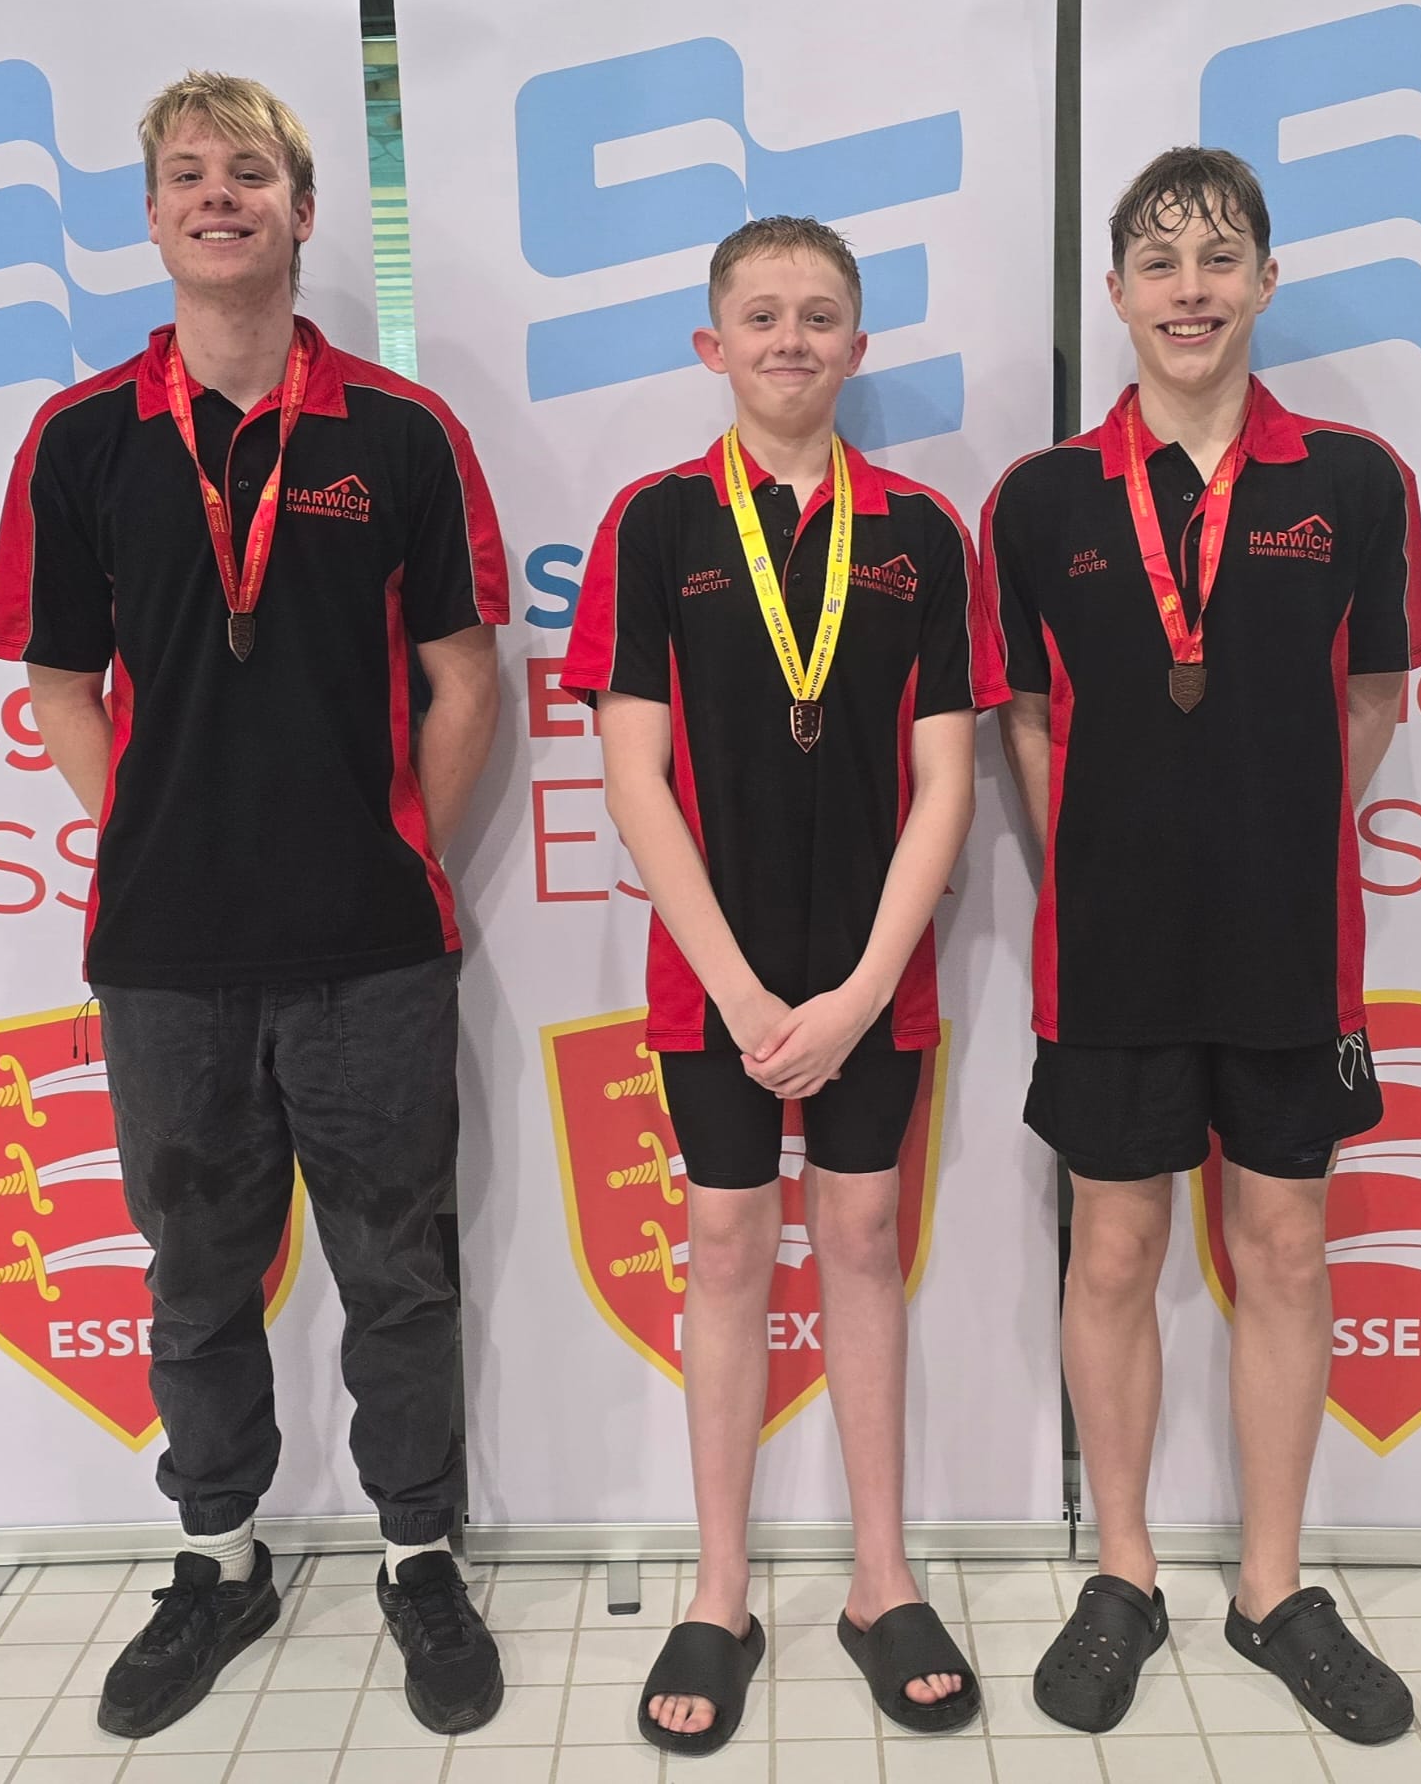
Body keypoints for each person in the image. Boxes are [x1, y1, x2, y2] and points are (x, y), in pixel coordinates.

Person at [0, 71, 507, 1740]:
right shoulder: (80, 441)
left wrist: (398, 842)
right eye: (190, 175)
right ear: (151, 217)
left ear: (300, 212)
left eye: (254, 174)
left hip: (370, 951)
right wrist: (145, 828)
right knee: (196, 1280)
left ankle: (421, 1556)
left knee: (399, 1278)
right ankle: (221, 1560)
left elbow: (461, 679)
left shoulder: (399, 434)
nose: (223, 196)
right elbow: (65, 681)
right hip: (167, 959)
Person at [982, 147, 1421, 1745]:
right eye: (1160, 261)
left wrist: (1263, 829)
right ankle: (1123, 1572)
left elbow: (1370, 700)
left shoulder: (1354, 481)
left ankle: (1272, 1588)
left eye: (1220, 258)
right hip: (1105, 948)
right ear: (1116, 294)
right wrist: (1107, 855)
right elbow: (1030, 722)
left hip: (1285, 945)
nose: (1191, 288)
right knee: (1112, 1254)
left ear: (1264, 283)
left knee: (1286, 1250)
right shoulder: (1039, 502)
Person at [561, 215, 1001, 1755]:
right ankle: (722, 1589)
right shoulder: (656, 523)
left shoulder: (926, 534)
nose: (792, 340)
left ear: (859, 346)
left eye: (821, 316)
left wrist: (867, 985)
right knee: (730, 1247)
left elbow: (948, 779)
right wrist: (741, 990)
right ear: (713, 345)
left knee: (864, 1237)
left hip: (877, 972)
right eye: (762, 315)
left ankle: (883, 1581)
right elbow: (634, 774)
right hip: (715, 983)